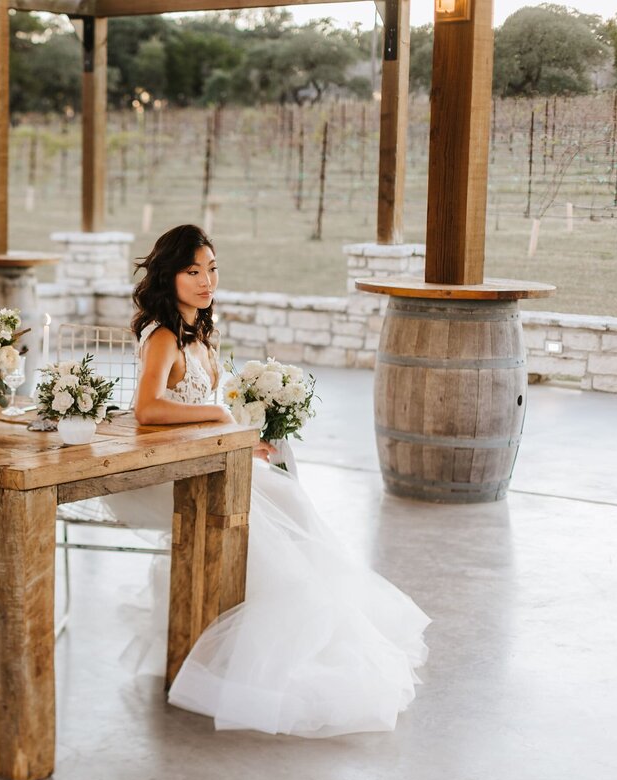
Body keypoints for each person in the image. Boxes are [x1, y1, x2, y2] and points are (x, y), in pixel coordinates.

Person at [104, 224, 430, 737]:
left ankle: (298, 638)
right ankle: (257, 655)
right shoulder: (165, 335)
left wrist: (240, 433)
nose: (206, 281)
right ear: (169, 277)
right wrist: (217, 419)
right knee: (279, 510)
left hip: (206, 456)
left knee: (286, 494)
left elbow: (202, 411)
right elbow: (147, 408)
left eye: (212, 269)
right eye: (193, 272)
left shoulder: (200, 332)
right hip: (165, 471)